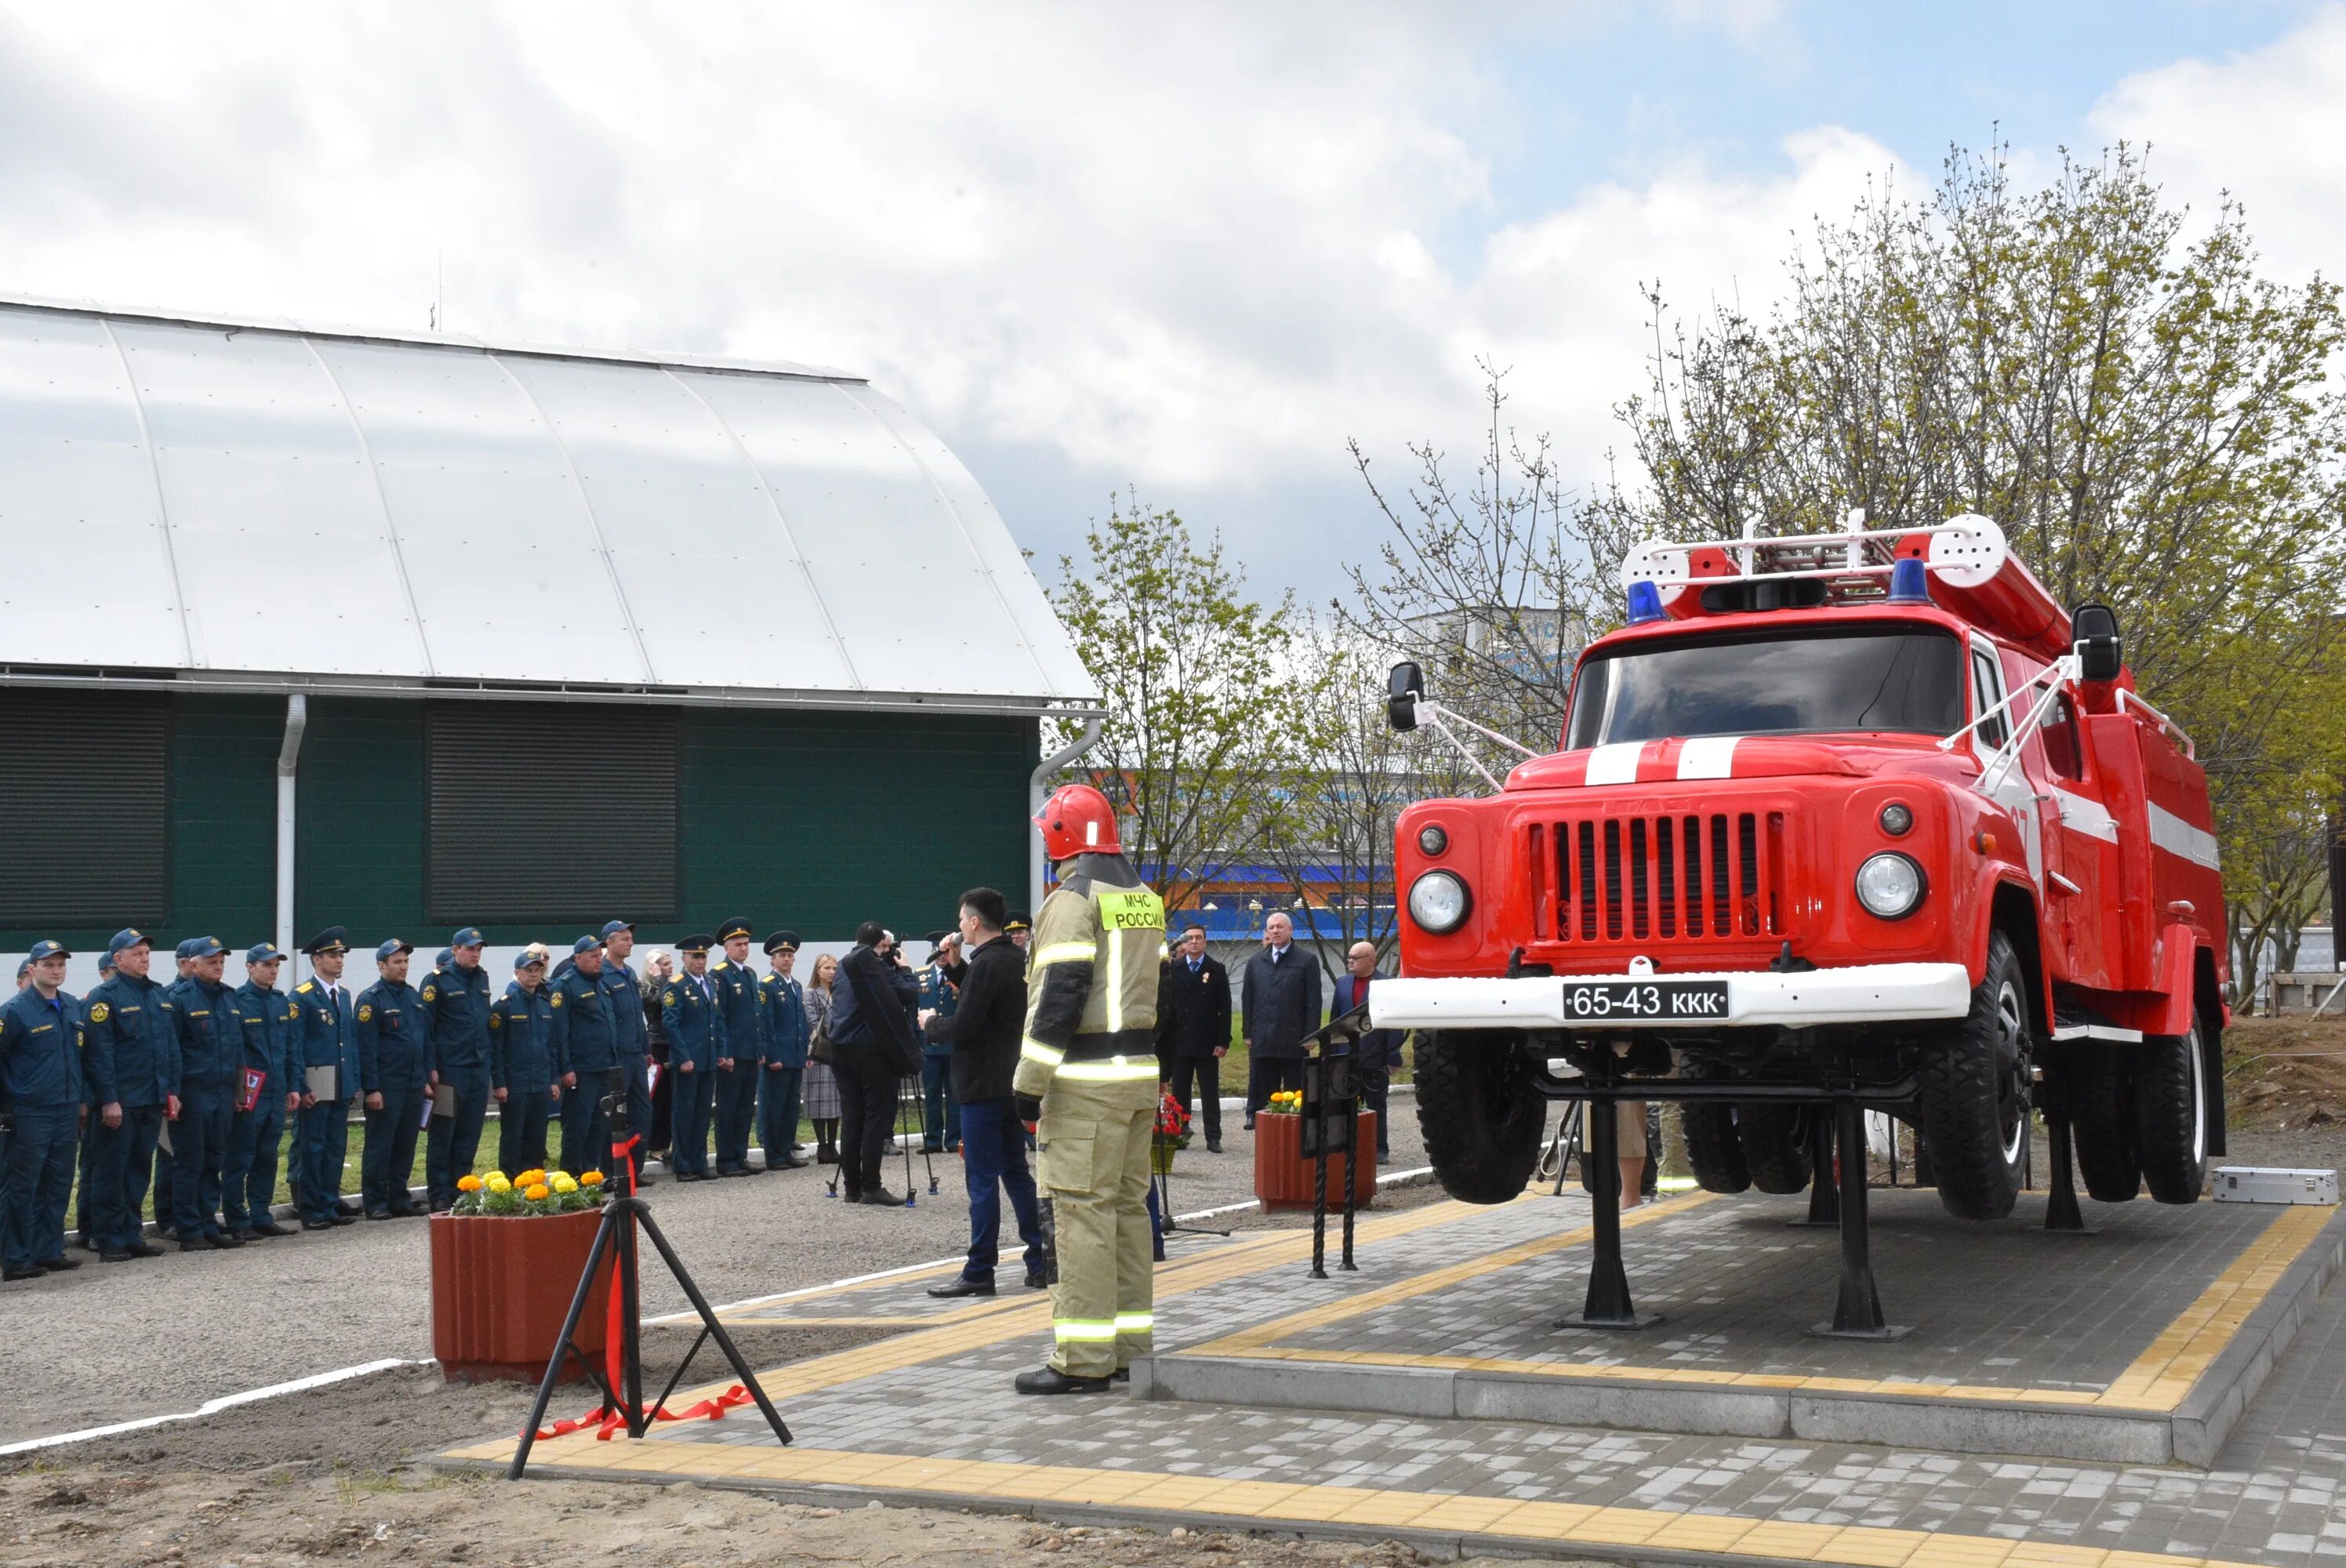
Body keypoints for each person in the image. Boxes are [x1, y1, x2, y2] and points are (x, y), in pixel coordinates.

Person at [1011, 783, 1164, 1393]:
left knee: (1080, 1216)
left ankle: (1082, 1359)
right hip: (1137, 1078)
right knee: (1128, 1213)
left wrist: (1028, 1083)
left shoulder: (1072, 901)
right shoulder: (1145, 900)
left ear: (1059, 837)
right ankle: (1129, 1351)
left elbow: (1059, 997)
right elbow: (1164, 996)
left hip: (1085, 1087)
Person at [921, 888, 1045, 1298]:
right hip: (1011, 1082)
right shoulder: (1012, 957)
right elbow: (990, 1002)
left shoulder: (988, 963)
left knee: (982, 1180)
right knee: (1016, 1172)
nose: (958, 925)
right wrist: (957, 966)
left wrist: (930, 1022)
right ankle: (1040, 1257)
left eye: (961, 919)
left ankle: (979, 1269)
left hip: (981, 1086)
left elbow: (967, 1024)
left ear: (974, 922)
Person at [80, 929, 173, 1262]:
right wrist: (108, 1099)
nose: (145, 959)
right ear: (118, 959)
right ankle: (109, 1239)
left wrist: (171, 1091)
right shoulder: (104, 998)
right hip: (120, 1102)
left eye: (147, 953)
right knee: (110, 1172)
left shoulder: (157, 994)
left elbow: (168, 1048)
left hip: (150, 1098)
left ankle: (132, 1234)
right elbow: (98, 1055)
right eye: (137, 954)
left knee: (138, 1170)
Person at [2, 941, 87, 1281]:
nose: (56, 971)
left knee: (58, 1183)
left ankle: (49, 1250)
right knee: (22, 1187)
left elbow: (81, 1058)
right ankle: (16, 1258)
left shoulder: (71, 1006)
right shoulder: (14, 1011)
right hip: (29, 1113)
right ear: (32, 969)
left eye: (60, 965)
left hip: (65, 1109)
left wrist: (82, 1100)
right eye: (48, 965)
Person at [829, 924, 921, 1206]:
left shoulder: (843, 966)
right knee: (875, 1118)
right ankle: (871, 1186)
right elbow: (909, 992)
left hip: (840, 1050)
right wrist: (905, 968)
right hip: (870, 1051)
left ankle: (851, 1188)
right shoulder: (875, 966)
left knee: (852, 1118)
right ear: (880, 945)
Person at [166, 935, 242, 1250]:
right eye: (212, 961)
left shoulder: (229, 997)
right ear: (193, 965)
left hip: (223, 1091)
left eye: (221, 961)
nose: (218, 966)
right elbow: (171, 1051)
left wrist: (238, 1090)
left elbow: (237, 1048)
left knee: (214, 1159)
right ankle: (189, 1229)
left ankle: (208, 1222)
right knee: (190, 1162)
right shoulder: (179, 999)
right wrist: (173, 1093)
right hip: (194, 1091)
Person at [224, 942, 300, 1241]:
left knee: (267, 1156)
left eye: (276, 966)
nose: (273, 971)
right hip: (250, 1089)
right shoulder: (238, 1000)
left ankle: (261, 1214)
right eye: (267, 965)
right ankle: (236, 1218)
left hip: (276, 1089)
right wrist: (238, 1091)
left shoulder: (281, 1002)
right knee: (241, 1155)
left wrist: (293, 1086)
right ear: (250, 967)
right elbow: (235, 1050)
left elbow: (290, 1047)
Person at [292, 928, 362, 1230]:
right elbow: (296, 1045)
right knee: (313, 1146)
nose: (339, 960)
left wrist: (354, 1081)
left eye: (341, 955)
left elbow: (349, 1041)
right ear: (316, 959)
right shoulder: (303, 996)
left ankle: (329, 1202)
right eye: (332, 955)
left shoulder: (343, 995)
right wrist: (300, 1085)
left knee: (335, 1146)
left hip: (340, 1080)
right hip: (316, 1081)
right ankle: (310, 1207)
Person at [355, 938, 429, 1218]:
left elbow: (422, 1040)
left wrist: (424, 1077)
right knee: (380, 1145)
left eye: (405, 961)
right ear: (381, 966)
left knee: (405, 1144)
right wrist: (372, 1088)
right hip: (387, 1086)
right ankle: (375, 1201)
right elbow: (366, 1048)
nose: (403, 966)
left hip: (412, 1083)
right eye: (397, 962)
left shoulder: (412, 996)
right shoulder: (371, 1000)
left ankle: (399, 1197)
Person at [422, 927, 494, 1211]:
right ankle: (439, 1192)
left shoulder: (482, 977)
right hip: (449, 1070)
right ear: (455, 950)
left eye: (479, 949)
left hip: (477, 1068)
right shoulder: (437, 981)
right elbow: (427, 1028)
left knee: (469, 1132)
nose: (476, 954)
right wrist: (430, 1068)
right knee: (444, 1133)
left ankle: (460, 1187)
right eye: (470, 949)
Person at [1154, 924, 1232, 1153]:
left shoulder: (1216, 969)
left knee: (1209, 1092)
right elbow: (1166, 1006)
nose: (1194, 942)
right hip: (1179, 1042)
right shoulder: (1174, 968)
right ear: (1184, 943)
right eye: (1190, 938)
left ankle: (1213, 1136)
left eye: (1199, 938)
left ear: (1205, 942)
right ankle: (1179, 1133)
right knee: (1180, 1093)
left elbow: (1225, 1009)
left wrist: (1223, 1041)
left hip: (1207, 1042)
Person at [1240, 913, 1319, 1130]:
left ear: (1290, 930)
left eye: (1280, 927)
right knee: (1266, 1093)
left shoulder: (1306, 960)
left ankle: (1295, 1135)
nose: (1275, 931)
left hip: (1294, 1039)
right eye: (1272, 927)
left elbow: (1313, 1000)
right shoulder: (1256, 961)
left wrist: (1312, 1034)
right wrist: (1247, 1032)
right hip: (1263, 1039)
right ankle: (1270, 1135)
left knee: (1296, 1092)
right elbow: (1248, 999)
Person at [551, 935, 619, 1180]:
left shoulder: (601, 984)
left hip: (604, 1066)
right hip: (581, 1069)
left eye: (600, 956)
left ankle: (590, 1176)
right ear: (578, 957)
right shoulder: (566, 986)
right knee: (577, 1126)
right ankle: (571, 1178)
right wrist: (565, 1068)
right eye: (593, 956)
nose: (598, 960)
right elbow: (559, 1032)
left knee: (598, 1125)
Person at [1329, 942, 1405, 1160]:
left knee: (1375, 1105)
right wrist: (1333, 1053)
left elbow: (1393, 1023)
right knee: (1346, 1104)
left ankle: (1379, 1149)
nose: (1350, 961)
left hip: (1375, 1056)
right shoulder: (1343, 983)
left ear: (1371, 959)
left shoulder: (1386, 985)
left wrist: (1392, 1056)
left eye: (1356, 958)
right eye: (1349, 957)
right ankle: (1348, 1147)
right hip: (1346, 1056)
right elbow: (1335, 1019)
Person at [489, 948, 558, 1178]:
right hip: (515, 1084)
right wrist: (499, 1083)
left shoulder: (544, 1004)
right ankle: (510, 1183)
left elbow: (551, 1046)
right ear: (518, 973)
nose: (534, 975)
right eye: (529, 971)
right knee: (513, 1137)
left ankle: (534, 1182)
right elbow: (497, 1049)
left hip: (540, 1082)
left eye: (538, 970)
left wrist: (553, 1080)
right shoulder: (504, 1006)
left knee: (537, 1137)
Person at [597, 921, 656, 1185]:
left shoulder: (629, 973)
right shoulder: (603, 973)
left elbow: (637, 1016)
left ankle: (634, 1169)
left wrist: (645, 1049)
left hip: (635, 1055)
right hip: (617, 1057)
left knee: (642, 1113)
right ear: (609, 943)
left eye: (630, 939)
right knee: (614, 1116)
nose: (630, 943)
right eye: (624, 939)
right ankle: (611, 1173)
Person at [660, 935, 723, 1180]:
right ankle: (683, 1164)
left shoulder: (710, 982)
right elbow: (671, 1025)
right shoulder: (676, 985)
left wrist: (720, 1052)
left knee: (702, 1113)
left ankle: (699, 1162)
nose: (700, 961)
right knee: (684, 1113)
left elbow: (716, 1021)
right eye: (695, 956)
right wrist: (683, 1057)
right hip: (688, 1060)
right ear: (684, 958)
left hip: (707, 1058)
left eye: (703, 956)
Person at [707, 919, 764, 1178]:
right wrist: (725, 1052)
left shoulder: (750, 973)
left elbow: (755, 1015)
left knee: (745, 1108)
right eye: (738, 944)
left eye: (746, 944)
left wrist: (760, 1049)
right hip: (733, 1053)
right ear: (727, 947)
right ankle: (726, 1159)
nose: (743, 948)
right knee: (728, 1108)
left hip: (750, 1051)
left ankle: (740, 1156)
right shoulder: (719, 974)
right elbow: (720, 1017)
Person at [757, 931, 808, 1171]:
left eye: (789, 955)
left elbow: (800, 1023)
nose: (787, 959)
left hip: (795, 1056)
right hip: (779, 1057)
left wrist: (804, 1053)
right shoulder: (767, 985)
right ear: (773, 959)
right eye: (782, 955)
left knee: (791, 1107)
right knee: (774, 1107)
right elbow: (766, 1024)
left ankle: (786, 1150)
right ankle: (774, 1154)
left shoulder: (795, 985)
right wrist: (773, 1056)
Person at [917, 932, 961, 1153]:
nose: (943, 957)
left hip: (954, 1045)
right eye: (939, 952)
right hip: (929, 1046)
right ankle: (933, 1139)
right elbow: (913, 1012)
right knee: (932, 1094)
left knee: (954, 1094)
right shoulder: (921, 976)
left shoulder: (960, 975)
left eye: (946, 952)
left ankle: (953, 1138)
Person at [801, 953, 841, 1163]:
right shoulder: (810, 993)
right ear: (818, 971)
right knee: (819, 1101)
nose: (832, 972)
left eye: (834, 968)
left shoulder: (840, 992)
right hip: (820, 1051)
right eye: (827, 968)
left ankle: (833, 1145)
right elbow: (812, 1020)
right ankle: (822, 1146)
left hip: (839, 1052)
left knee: (835, 1101)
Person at [641, 949, 674, 1167]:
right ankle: (654, 1145)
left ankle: (665, 1143)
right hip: (657, 1045)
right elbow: (664, 1003)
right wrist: (659, 978)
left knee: (670, 1098)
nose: (670, 967)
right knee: (658, 1097)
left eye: (670, 963)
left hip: (672, 1044)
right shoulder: (647, 988)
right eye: (665, 964)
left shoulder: (671, 984)